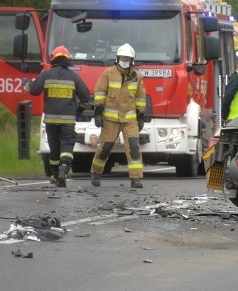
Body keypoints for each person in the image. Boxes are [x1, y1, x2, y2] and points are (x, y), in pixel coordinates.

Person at [24, 46, 90, 187]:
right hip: (67, 121)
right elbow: (85, 97)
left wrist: (26, 84)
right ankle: (63, 172)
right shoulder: (73, 77)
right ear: (67, 60)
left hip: (51, 120)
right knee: (67, 145)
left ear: (53, 59)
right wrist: (79, 111)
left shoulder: (46, 74)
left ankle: (55, 174)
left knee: (54, 148)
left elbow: (34, 90)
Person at [90, 43, 147, 188]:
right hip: (111, 120)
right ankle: (96, 172)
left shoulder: (136, 76)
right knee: (105, 148)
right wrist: (98, 112)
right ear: (117, 58)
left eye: (128, 59)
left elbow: (140, 97)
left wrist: (141, 115)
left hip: (130, 120)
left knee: (134, 147)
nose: (125, 61)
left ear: (132, 60)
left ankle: (136, 178)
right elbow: (100, 92)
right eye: (123, 58)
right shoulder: (108, 73)